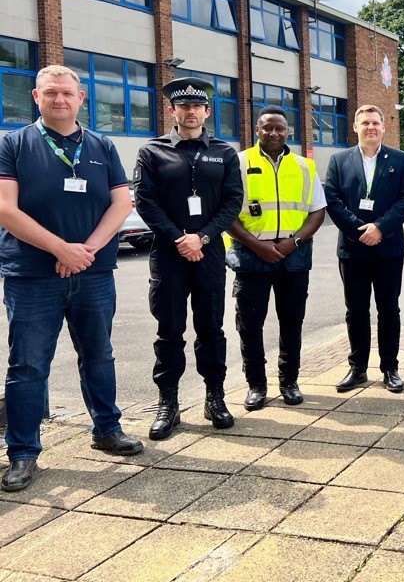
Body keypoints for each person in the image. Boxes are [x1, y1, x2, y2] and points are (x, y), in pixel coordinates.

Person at [0, 66, 143, 492]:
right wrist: (60, 249)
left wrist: (86, 252)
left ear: (82, 98)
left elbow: (120, 204)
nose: (59, 99)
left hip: (93, 272)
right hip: (31, 275)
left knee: (99, 354)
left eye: (67, 93)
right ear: (36, 96)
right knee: (28, 365)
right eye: (51, 93)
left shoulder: (101, 144)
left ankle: (106, 430)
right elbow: (6, 209)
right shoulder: (13, 143)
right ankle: (23, 453)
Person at [134, 78, 243, 439]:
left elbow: (232, 202)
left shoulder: (224, 153)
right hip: (169, 253)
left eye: (197, 106)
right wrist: (179, 238)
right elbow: (145, 201)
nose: (191, 111)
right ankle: (169, 403)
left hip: (209, 251)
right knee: (169, 330)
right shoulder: (153, 151)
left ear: (207, 112)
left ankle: (215, 397)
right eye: (183, 106)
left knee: (211, 328)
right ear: (172, 111)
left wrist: (204, 236)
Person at [226, 106, 326, 411]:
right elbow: (226, 214)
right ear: (257, 130)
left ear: (288, 132)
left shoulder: (305, 166)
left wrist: (292, 242)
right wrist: (258, 246)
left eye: (279, 128)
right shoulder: (239, 162)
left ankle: (289, 382)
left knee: (292, 323)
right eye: (267, 128)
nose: (273, 133)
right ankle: (256, 385)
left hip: (293, 259)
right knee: (250, 325)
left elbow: (317, 211)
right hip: (251, 257)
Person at [325, 104, 404, 393]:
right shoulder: (339, 160)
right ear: (355, 127)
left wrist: (380, 228)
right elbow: (333, 200)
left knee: (389, 309)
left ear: (383, 127)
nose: (371, 128)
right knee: (356, 311)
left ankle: (390, 368)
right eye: (365, 123)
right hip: (352, 250)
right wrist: (358, 231)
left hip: (388, 248)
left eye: (375, 122)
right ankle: (358, 369)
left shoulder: (400, 160)